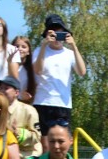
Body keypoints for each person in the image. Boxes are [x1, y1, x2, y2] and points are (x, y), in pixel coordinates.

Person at [33, 15, 87, 145]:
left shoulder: (69, 53)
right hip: (43, 102)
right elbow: (38, 70)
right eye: (53, 33)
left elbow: (82, 71)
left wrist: (74, 46)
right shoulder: (39, 50)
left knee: (62, 141)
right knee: (45, 143)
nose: (56, 37)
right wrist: (44, 45)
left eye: (60, 33)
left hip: (63, 104)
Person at [0, 76, 41, 159]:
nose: (1, 91)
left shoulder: (28, 110)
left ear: (16, 93)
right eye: (0, 88)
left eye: (6, 88)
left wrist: (18, 133)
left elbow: (36, 137)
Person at [12, 36, 37, 102]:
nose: (19, 49)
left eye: (24, 47)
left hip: (24, 103)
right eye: (17, 46)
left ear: (28, 51)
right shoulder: (7, 66)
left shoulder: (31, 70)